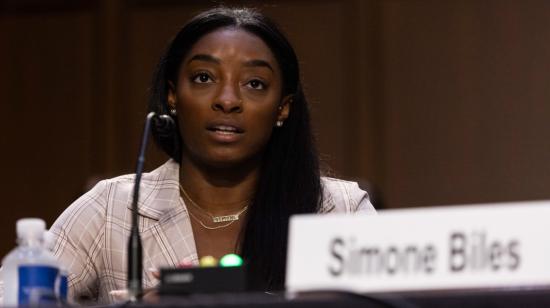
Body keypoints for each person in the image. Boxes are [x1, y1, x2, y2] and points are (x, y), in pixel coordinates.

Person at [0, 6, 375, 304]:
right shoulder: (112, 208)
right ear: (172, 96)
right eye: (203, 78)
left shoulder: (337, 210)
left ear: (283, 108)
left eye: (255, 84)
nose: (227, 100)